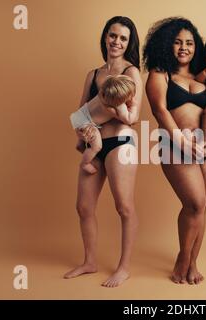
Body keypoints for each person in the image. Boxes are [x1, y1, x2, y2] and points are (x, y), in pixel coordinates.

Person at [144, 17, 206, 285]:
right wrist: (182, 141)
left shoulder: (203, 74)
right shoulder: (160, 73)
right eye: (177, 42)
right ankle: (183, 258)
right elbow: (159, 110)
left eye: (189, 43)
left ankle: (193, 262)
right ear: (166, 44)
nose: (184, 47)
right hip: (176, 145)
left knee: (202, 207)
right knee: (194, 203)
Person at [64, 16, 142, 288]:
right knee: (83, 207)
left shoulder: (132, 72)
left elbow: (133, 117)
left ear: (129, 43)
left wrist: (108, 111)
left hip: (121, 143)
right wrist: (85, 132)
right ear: (105, 37)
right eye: (112, 35)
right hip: (93, 145)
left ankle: (124, 267)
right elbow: (80, 113)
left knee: (124, 206)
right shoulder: (93, 74)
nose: (116, 42)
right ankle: (89, 262)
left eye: (123, 38)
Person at [69, 75, 137, 174]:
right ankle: (85, 163)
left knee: (87, 135)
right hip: (85, 124)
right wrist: (134, 105)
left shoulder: (103, 92)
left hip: (78, 116)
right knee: (97, 146)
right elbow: (129, 119)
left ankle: (80, 144)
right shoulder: (118, 105)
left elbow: (113, 79)